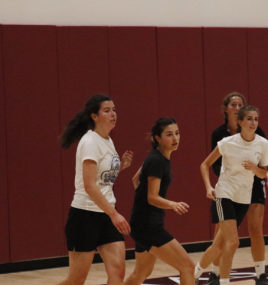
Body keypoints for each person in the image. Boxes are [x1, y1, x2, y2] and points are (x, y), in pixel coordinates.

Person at [57, 94, 134, 285]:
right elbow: (90, 186)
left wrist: (120, 166)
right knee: (76, 280)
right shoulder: (90, 142)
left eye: (114, 110)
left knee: (117, 273)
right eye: (107, 111)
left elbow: (103, 180)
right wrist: (114, 215)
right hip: (85, 216)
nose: (113, 114)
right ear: (94, 116)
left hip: (106, 215)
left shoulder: (107, 139)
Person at [195, 106, 268, 285]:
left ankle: (193, 274)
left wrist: (255, 169)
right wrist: (208, 187)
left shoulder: (263, 144)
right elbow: (204, 165)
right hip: (224, 194)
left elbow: (263, 174)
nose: (253, 123)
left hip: (243, 198)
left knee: (218, 246)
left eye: (256, 119)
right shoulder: (227, 143)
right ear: (240, 122)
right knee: (233, 242)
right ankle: (224, 282)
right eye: (249, 119)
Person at [125, 118, 195, 285]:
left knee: (142, 272)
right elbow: (152, 197)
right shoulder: (157, 160)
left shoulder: (155, 157)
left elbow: (136, 180)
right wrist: (173, 204)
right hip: (148, 226)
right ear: (157, 138)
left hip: (142, 222)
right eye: (169, 135)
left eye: (177, 133)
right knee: (188, 267)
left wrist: (143, 203)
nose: (175, 138)